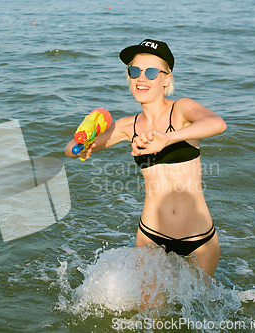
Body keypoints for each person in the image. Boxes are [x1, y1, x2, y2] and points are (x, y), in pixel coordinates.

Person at [65, 39, 227, 277]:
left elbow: (217, 123)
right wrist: (83, 140)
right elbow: (71, 150)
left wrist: (168, 138)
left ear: (166, 78)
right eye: (134, 71)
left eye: (151, 72)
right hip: (151, 235)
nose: (142, 78)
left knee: (203, 312)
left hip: (199, 239)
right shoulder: (126, 126)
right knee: (148, 314)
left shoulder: (181, 110)